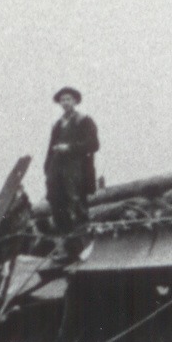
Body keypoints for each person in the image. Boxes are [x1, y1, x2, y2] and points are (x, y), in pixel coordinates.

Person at [44, 86, 100, 235]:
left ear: (75, 101)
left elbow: (94, 145)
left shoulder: (84, 121)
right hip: (57, 171)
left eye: (68, 99)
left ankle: (84, 238)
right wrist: (47, 169)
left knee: (77, 203)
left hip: (78, 170)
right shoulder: (57, 125)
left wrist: (69, 148)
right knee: (56, 202)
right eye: (62, 100)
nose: (65, 103)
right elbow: (50, 149)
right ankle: (67, 242)